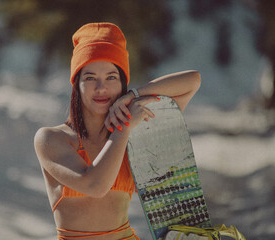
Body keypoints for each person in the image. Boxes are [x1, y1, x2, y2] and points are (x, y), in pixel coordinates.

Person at [34, 22, 201, 240]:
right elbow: (95, 185)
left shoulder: (134, 130)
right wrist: (123, 129)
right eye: (90, 78)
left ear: (122, 82)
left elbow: (192, 81)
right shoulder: (51, 139)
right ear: (77, 85)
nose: (101, 88)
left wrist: (135, 94)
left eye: (111, 77)